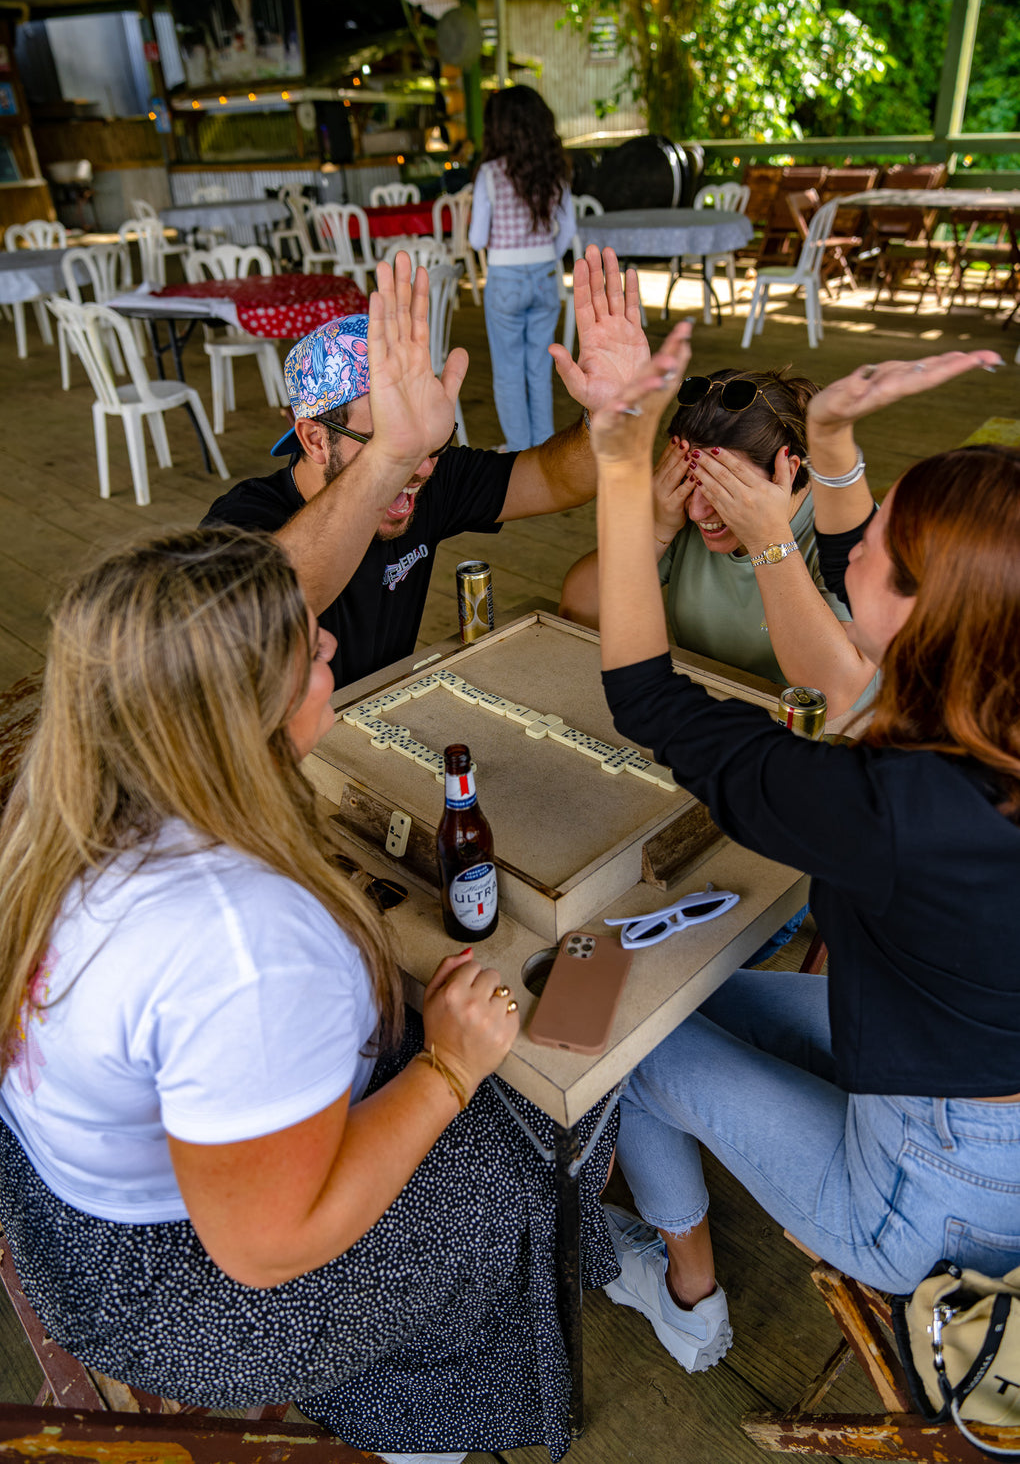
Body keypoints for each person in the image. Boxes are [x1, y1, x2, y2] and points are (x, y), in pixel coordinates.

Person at [0, 524, 619, 1464]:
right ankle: (426, 1427)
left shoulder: (63, 801)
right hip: (194, 1299)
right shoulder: (245, 938)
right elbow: (268, 1246)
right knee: (551, 1124)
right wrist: (449, 1070)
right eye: (308, 646)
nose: (331, 639)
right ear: (243, 719)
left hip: (68, 1221)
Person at [583, 327, 1018, 1378]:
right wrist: (828, 433)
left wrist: (621, 467)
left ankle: (687, 1297)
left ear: (926, 617)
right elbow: (846, 669)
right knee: (662, 985)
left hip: (939, 1193)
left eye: (876, 544)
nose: (848, 538)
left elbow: (645, 695)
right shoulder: (982, 714)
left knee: (616, 1040)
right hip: (964, 1080)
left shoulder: (894, 808)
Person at [203, 246, 646, 691]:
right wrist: (391, 458)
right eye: (388, 440)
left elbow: (553, 481)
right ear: (315, 439)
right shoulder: (242, 520)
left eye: (425, 440)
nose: (419, 467)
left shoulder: (427, 472)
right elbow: (272, 604)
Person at [559, 366, 877, 717]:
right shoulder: (679, 511)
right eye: (688, 480)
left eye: (723, 489)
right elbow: (579, 609)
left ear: (785, 472)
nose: (697, 512)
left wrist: (767, 539)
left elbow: (833, 693)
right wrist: (655, 527)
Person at [468, 85, 577, 453]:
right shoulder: (554, 169)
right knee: (539, 369)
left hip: (505, 280)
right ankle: (543, 448)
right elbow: (568, 229)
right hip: (545, 277)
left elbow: (476, 238)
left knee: (508, 371)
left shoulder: (489, 173)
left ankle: (518, 449)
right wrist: (545, 254)